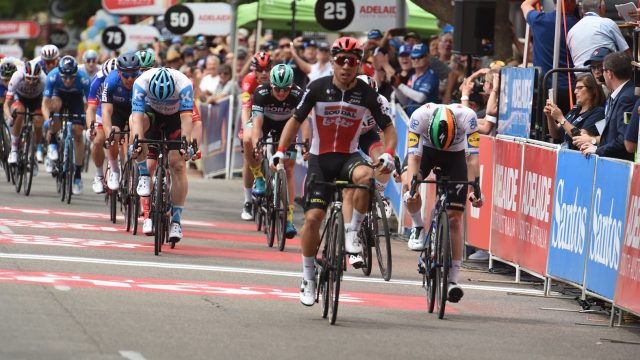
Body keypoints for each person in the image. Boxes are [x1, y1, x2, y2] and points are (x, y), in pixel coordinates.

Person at [271, 37, 398, 306]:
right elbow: (295, 121)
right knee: (314, 218)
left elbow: (387, 129)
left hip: (348, 156)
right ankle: (308, 275)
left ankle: (353, 232)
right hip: (320, 159)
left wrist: (388, 154)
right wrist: (281, 149)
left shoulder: (367, 95)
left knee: (366, 176)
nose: (346, 66)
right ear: (332, 62)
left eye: (351, 62)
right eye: (340, 60)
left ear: (358, 65)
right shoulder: (317, 87)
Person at [403, 103, 483, 302]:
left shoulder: (469, 118)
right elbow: (413, 157)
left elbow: (472, 160)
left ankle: (453, 280)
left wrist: (475, 190)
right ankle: (418, 226)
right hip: (427, 152)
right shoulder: (418, 116)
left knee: (455, 218)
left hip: (456, 155)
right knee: (409, 182)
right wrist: (413, 187)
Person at [130, 67, 195, 243]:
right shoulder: (141, 82)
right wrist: (137, 141)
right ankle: (144, 175)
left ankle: (176, 221)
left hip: (175, 117)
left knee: (178, 164)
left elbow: (187, 119)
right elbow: (136, 117)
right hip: (151, 113)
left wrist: (185, 143)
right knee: (138, 133)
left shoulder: (184, 84)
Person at [247, 64, 307, 238]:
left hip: (287, 125)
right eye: (277, 89)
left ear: (292, 86)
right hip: (265, 122)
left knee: (288, 170)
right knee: (247, 139)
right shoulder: (261, 92)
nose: (281, 93)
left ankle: (288, 220)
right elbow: (257, 124)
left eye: (285, 89)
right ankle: (258, 177)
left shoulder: (298, 95)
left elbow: (304, 122)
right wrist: (258, 145)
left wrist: (307, 144)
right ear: (271, 85)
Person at [42, 55, 91, 194]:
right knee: (55, 107)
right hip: (59, 95)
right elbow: (45, 103)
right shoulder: (53, 76)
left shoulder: (83, 78)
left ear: (76, 74)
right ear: (60, 74)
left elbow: (90, 104)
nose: (68, 80)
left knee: (78, 133)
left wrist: (87, 121)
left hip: (76, 98)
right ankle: (52, 142)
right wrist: (47, 120)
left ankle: (77, 175)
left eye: (71, 77)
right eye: (64, 77)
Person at [521, 0, 578, 114]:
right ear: (571, 2)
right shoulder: (578, 24)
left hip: (545, 88)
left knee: (547, 127)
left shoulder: (540, 20)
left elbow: (525, 4)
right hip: (573, 89)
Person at [579, 52, 636, 161]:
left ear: (609, 74)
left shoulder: (626, 98)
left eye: (603, 70)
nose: (601, 73)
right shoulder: (620, 95)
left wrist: (597, 150)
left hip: (620, 165)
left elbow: (623, 140)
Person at [101, 53, 141, 191]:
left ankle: (136, 170)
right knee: (114, 135)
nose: (130, 79)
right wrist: (109, 136)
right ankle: (115, 170)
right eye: (125, 75)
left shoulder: (143, 81)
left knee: (136, 140)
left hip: (136, 111)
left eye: (134, 74)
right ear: (119, 73)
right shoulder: (110, 81)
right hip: (117, 111)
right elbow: (106, 111)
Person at [240, 52, 273, 220]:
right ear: (254, 70)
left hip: (273, 117)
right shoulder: (249, 81)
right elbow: (246, 108)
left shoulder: (277, 80)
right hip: (254, 116)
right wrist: (247, 127)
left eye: (267, 69)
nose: (264, 73)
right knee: (249, 155)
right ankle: (247, 201)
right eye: (260, 70)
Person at [3, 60, 46, 169]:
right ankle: (14, 149)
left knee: (38, 122)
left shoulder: (44, 80)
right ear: (24, 75)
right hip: (20, 97)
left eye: (34, 79)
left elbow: (46, 102)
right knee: (19, 113)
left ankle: (34, 153)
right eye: (28, 78)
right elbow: (7, 104)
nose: (31, 82)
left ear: (38, 77)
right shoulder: (17, 76)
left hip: (36, 99)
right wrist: (9, 117)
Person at [545, 75, 605, 149]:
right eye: (575, 88)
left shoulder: (598, 112)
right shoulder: (575, 109)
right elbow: (555, 134)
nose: (575, 92)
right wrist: (550, 117)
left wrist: (560, 118)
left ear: (593, 90)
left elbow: (581, 137)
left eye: (580, 88)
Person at [86, 58, 118, 193]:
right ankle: (99, 175)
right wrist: (91, 127)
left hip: (122, 109)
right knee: (99, 140)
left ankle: (120, 167)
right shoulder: (98, 79)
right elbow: (91, 108)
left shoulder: (130, 78)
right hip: (102, 109)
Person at [567, 0, 628, 69]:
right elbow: (625, 53)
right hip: (605, 74)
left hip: (581, 77)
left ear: (582, 11)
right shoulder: (608, 23)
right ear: (601, 8)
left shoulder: (571, 31)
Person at [392, 43, 439, 116]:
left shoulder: (430, 76)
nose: (416, 60)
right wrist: (396, 87)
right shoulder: (412, 76)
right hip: (411, 118)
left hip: (426, 119)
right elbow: (405, 102)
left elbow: (420, 97)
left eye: (420, 57)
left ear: (427, 57)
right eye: (413, 57)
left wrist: (400, 85)